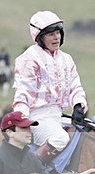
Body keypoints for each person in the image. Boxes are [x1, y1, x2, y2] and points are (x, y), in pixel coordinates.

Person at [12, 10, 88, 163]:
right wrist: (22, 121)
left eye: (58, 33)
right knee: (60, 139)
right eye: (51, 34)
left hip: (57, 116)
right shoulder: (29, 58)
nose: (56, 37)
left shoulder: (67, 59)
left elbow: (75, 86)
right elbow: (23, 93)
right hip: (36, 117)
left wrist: (78, 105)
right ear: (40, 38)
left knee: (88, 132)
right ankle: (30, 169)